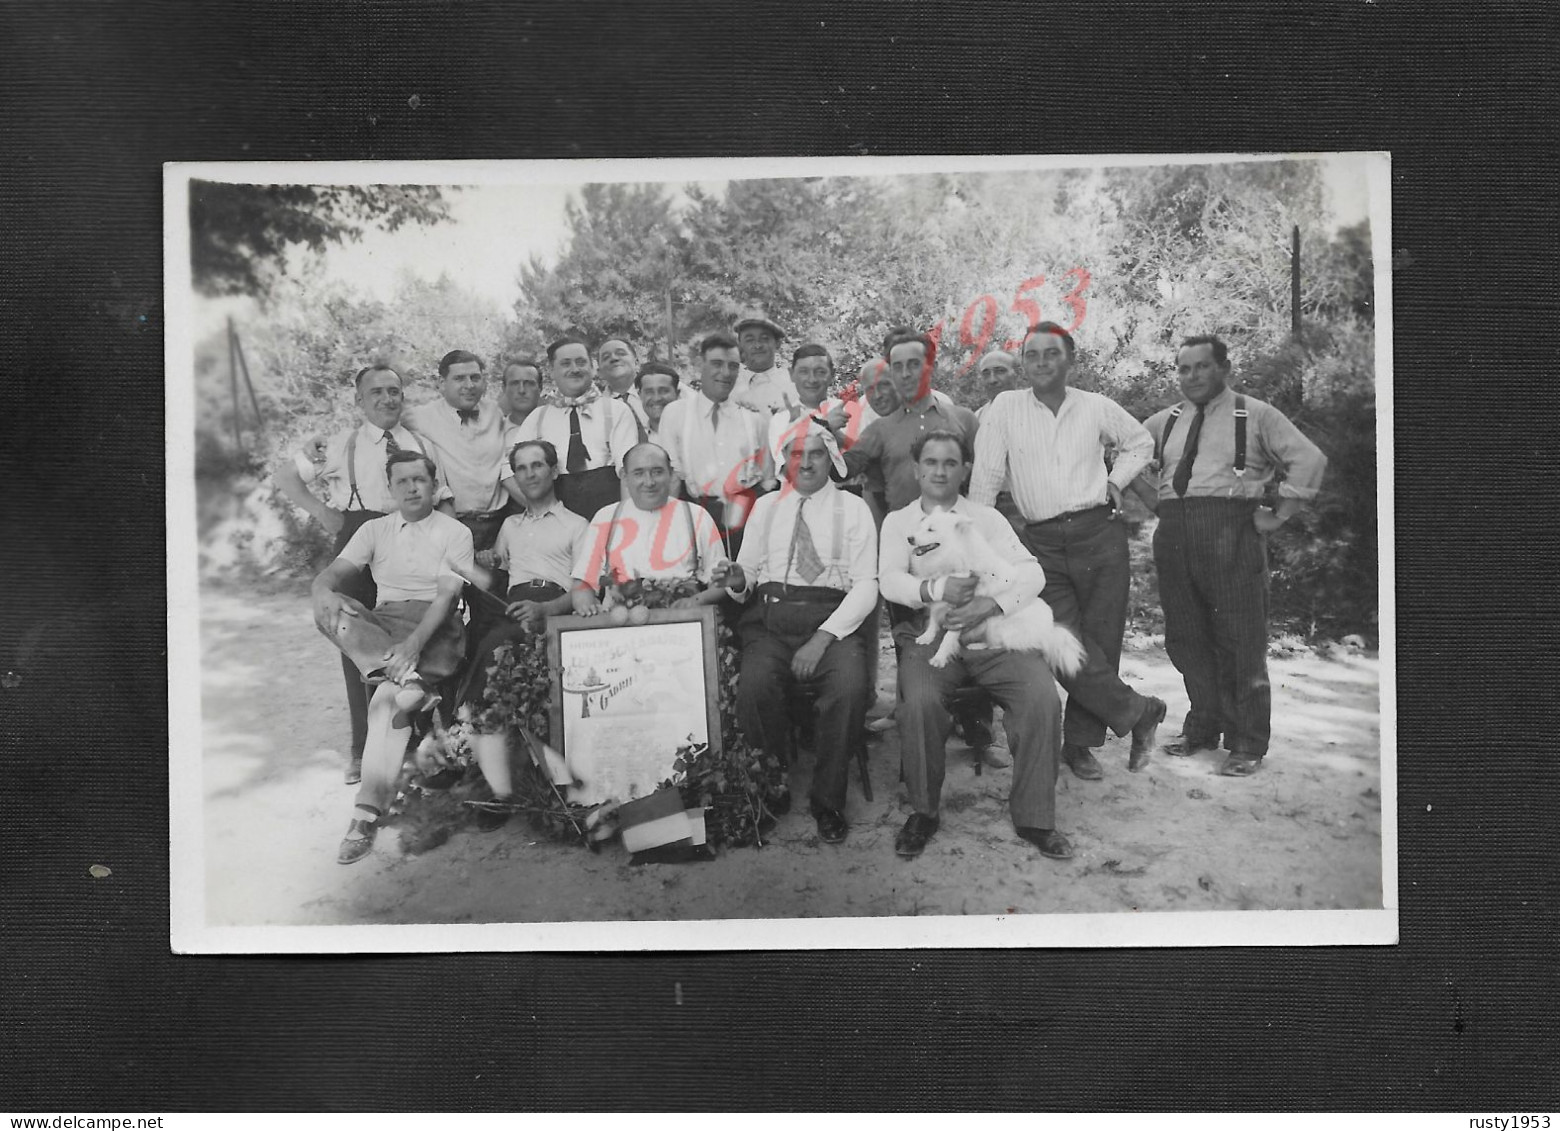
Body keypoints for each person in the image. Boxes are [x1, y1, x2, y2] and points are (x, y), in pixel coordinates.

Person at [970, 321, 1168, 780]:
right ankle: (1140, 712)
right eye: (1032, 354)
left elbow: (1140, 443)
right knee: (1058, 641)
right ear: (1023, 362)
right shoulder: (1004, 407)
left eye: (1051, 354)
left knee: (1099, 640)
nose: (1040, 362)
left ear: (1070, 360)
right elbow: (985, 480)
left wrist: (1116, 482)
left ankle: (1079, 746)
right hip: (1040, 541)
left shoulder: (1095, 407)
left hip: (1098, 533)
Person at [1136, 335, 1328, 776]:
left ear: (1224, 367)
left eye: (1202, 367)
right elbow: (1123, 457)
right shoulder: (1164, 421)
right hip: (1175, 533)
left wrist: (1280, 515)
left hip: (1232, 530)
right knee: (1186, 636)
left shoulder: (1256, 414)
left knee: (1240, 638)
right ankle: (1202, 725)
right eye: (1183, 369)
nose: (1192, 377)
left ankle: (1247, 742)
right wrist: (1153, 498)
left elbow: (1308, 459)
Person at [879, 431, 1071, 861]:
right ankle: (924, 812)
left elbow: (1031, 573)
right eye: (931, 462)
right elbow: (890, 580)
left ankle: (1035, 817)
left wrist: (991, 603)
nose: (940, 471)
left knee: (1040, 695)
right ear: (916, 469)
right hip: (931, 631)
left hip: (993, 631)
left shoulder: (986, 519)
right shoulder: (899, 522)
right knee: (922, 701)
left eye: (950, 463)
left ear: (965, 469)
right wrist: (935, 589)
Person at [274, 363, 451, 784]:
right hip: (357, 537)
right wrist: (322, 512)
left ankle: (416, 744)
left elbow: (442, 498)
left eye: (395, 391)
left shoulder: (422, 444)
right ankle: (362, 748)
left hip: (408, 540)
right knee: (355, 644)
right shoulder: (338, 445)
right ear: (359, 400)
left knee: (408, 637)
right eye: (377, 392)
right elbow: (285, 475)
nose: (388, 399)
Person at [715, 424, 878, 843]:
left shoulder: (852, 508)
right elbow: (747, 576)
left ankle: (828, 802)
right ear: (784, 461)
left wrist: (823, 638)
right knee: (753, 686)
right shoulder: (767, 506)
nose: (805, 463)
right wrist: (736, 579)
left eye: (816, 455)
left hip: (832, 622)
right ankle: (771, 790)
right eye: (796, 455)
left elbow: (866, 585)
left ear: (831, 460)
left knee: (847, 688)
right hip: (771, 620)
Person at [311, 450, 475, 865]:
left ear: (434, 485)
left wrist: (413, 646)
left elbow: (445, 598)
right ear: (390, 488)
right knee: (333, 610)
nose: (412, 487)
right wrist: (321, 590)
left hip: (434, 628)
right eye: (402, 481)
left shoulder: (455, 532)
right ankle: (407, 681)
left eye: (419, 479)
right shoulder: (375, 529)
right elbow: (335, 573)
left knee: (385, 702)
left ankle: (364, 815)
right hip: (382, 625)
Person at [460, 439, 593, 831]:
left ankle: (547, 781)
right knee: (488, 655)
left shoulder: (577, 525)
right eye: (522, 468)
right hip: (514, 608)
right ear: (514, 476)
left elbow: (586, 589)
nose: (531, 474)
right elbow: (497, 571)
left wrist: (547, 610)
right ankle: (495, 784)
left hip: (557, 608)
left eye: (538, 466)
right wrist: (486, 561)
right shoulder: (509, 526)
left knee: (510, 659)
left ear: (554, 471)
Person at [404, 349, 520, 649]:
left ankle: (486, 686)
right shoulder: (421, 416)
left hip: (496, 526)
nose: (468, 385)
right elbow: (381, 422)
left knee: (493, 611)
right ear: (442, 383)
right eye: (459, 379)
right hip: (452, 524)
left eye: (475, 377)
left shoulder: (495, 412)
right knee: (445, 613)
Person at [571, 442, 729, 611]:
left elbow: (721, 581)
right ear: (624, 477)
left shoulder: (697, 516)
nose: (649, 482)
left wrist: (696, 601)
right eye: (638, 473)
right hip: (620, 622)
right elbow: (583, 582)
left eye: (657, 472)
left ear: (671, 474)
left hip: (682, 619)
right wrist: (586, 606)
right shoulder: (605, 518)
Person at [656, 331, 772, 555]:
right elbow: (671, 476)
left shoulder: (754, 418)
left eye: (733, 366)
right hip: (697, 515)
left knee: (744, 584)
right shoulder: (676, 414)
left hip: (745, 519)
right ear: (700, 363)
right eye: (717, 364)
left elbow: (767, 478)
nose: (725, 373)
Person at [840, 329, 980, 513]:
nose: (905, 374)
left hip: (955, 532)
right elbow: (841, 472)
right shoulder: (879, 430)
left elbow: (981, 485)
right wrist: (825, 432)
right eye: (898, 367)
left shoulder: (964, 420)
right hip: (902, 536)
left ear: (932, 367)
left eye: (914, 364)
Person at [514, 335, 639, 521]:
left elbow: (629, 471)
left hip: (608, 515)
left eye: (581, 362)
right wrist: (543, 513)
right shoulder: (537, 418)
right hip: (555, 520)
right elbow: (512, 470)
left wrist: (624, 522)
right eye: (566, 363)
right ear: (552, 370)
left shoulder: (615, 410)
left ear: (592, 367)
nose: (575, 369)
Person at [766, 343, 853, 476]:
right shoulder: (781, 419)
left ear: (832, 375)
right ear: (792, 374)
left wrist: (839, 437)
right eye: (803, 371)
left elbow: (866, 460)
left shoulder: (850, 411)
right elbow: (788, 472)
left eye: (820, 372)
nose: (812, 379)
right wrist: (824, 428)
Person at [730, 312, 793, 414]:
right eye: (749, 340)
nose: (757, 345)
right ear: (740, 344)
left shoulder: (792, 383)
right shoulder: (728, 384)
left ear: (777, 343)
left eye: (764, 339)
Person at [596, 337, 649, 440]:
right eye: (606, 357)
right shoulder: (596, 410)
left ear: (637, 362)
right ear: (599, 372)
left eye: (621, 353)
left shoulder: (660, 394)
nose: (614, 359)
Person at [634, 361, 681, 444]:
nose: (656, 398)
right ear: (640, 395)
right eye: (649, 392)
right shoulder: (634, 438)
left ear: (677, 393)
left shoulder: (693, 433)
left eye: (663, 391)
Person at [498, 357, 543, 437]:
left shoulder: (557, 430)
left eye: (529, 383)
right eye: (515, 383)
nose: (521, 390)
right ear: (504, 388)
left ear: (540, 388)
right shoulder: (492, 435)